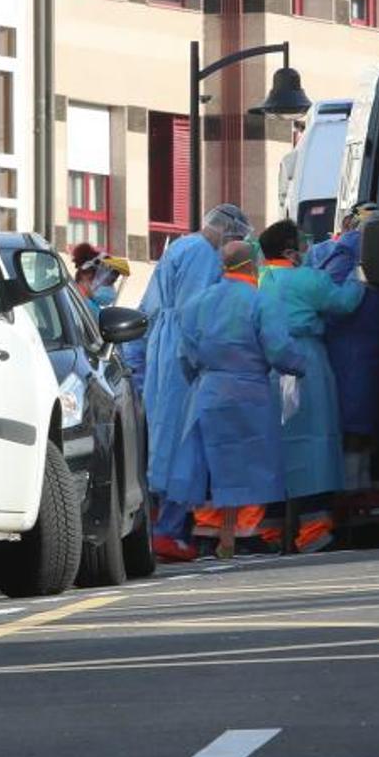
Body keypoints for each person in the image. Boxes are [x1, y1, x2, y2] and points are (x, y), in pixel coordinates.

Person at [124, 203, 252, 561]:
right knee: (185, 444)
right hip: (182, 358)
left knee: (162, 439)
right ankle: (168, 530)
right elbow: (198, 311)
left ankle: (157, 525)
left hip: (161, 353)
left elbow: (147, 309)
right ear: (227, 232)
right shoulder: (202, 255)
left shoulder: (180, 246)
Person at [166, 241, 307, 559]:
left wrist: (204, 380)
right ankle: (245, 534)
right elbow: (279, 349)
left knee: (210, 463)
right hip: (250, 392)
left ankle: (208, 531)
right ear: (252, 265)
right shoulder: (261, 301)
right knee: (251, 463)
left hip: (209, 393)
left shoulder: (197, 303)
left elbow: (184, 356)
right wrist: (300, 366)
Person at [256, 219, 365, 552]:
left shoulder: (259, 280)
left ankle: (271, 532)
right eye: (303, 244)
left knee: (274, 449)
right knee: (313, 445)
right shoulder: (307, 279)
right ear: (290, 250)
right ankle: (313, 529)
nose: (308, 249)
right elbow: (345, 302)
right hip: (307, 362)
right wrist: (360, 274)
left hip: (266, 370)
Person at [306, 203, 379, 491]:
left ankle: (356, 479)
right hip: (356, 341)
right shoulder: (352, 247)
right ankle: (354, 481)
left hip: (359, 339)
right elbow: (333, 297)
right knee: (358, 412)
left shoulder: (341, 248)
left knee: (360, 411)